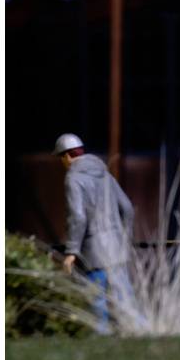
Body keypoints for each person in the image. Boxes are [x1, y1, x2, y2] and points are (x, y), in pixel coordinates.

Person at [55, 133, 135, 329]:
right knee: (126, 301)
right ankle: (143, 333)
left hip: (94, 253)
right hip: (116, 250)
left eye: (60, 158)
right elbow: (127, 209)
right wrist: (123, 238)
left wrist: (72, 251)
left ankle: (101, 339)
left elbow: (78, 217)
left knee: (96, 301)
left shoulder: (73, 179)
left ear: (66, 156)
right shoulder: (105, 174)